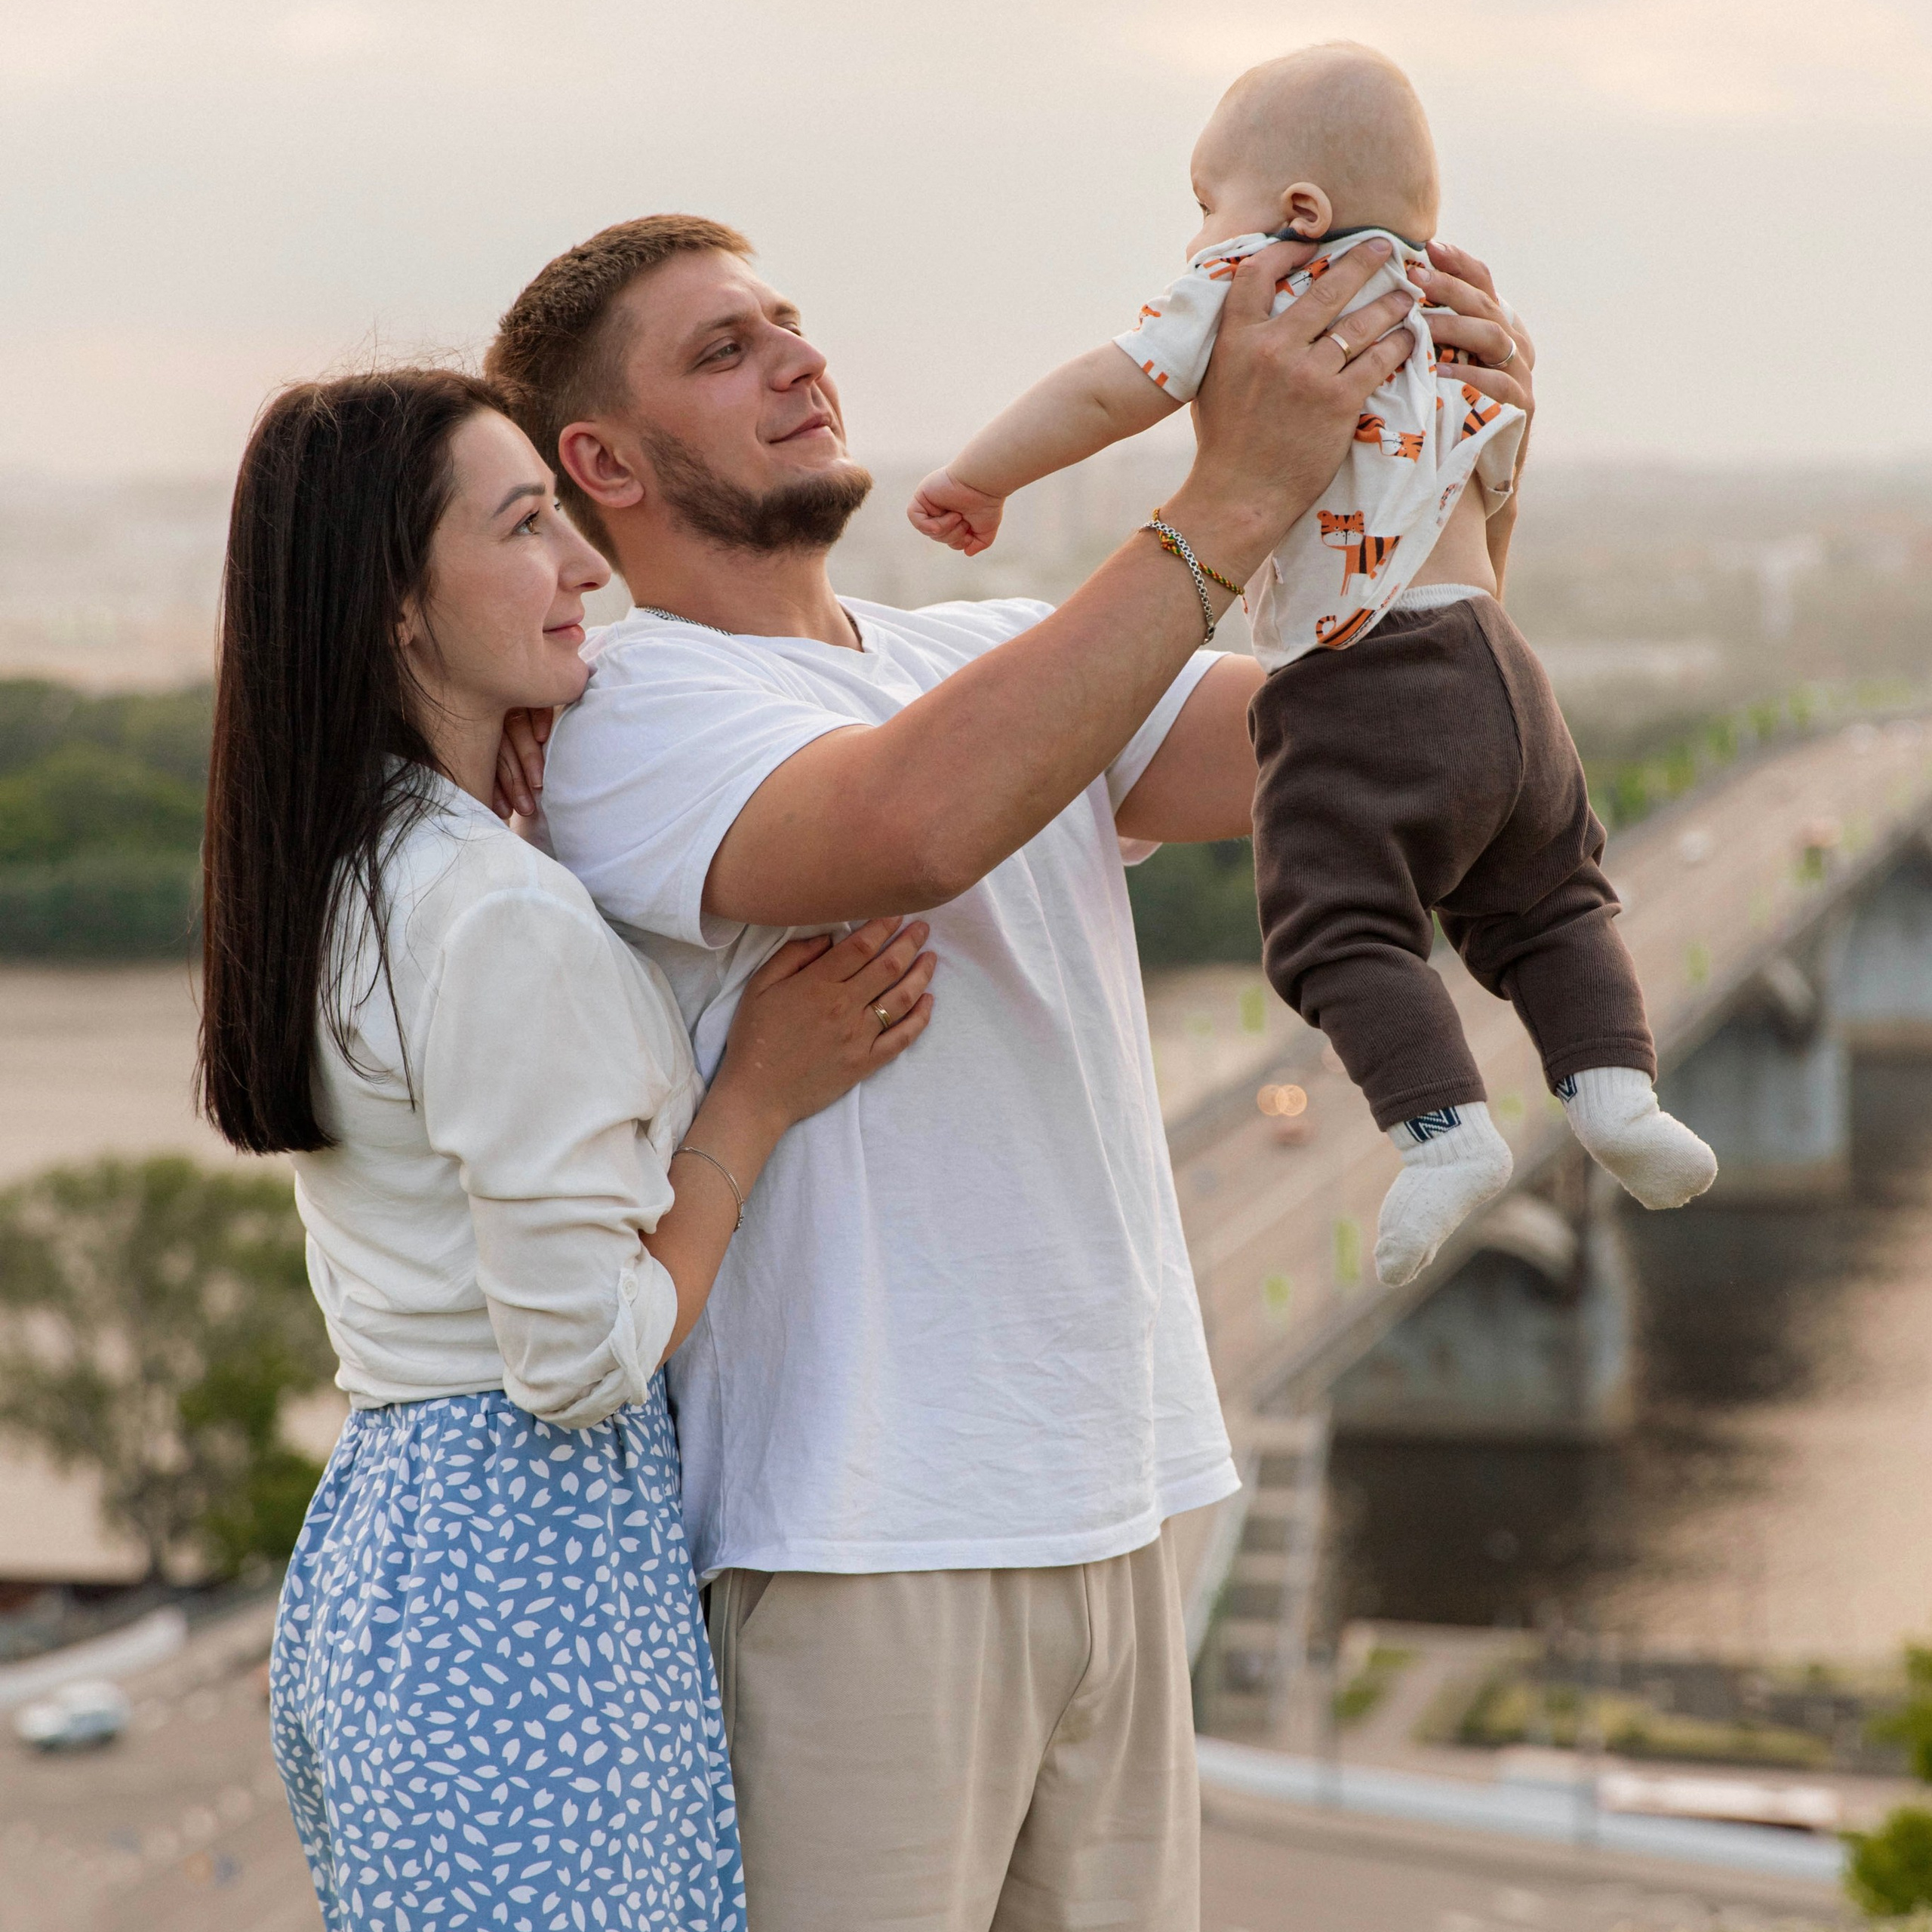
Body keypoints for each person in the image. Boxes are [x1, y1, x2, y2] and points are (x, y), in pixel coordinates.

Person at [482, 207, 1525, 1931]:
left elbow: (1401, 758)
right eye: (723, 350)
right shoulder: (622, 707)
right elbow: (908, 822)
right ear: (602, 459)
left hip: (1120, 1497)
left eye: (788, 321)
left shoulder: (971, 650)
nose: (796, 359)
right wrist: (1222, 497)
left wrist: (1458, 466)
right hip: (855, 1533)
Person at [197, 367, 935, 1932]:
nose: (584, 566)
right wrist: (753, 1097)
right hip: (524, 1587)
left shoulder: (356, 868)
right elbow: (574, 1355)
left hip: (390, 1554)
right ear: (400, 605)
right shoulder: (490, 911)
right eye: (527, 525)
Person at [910, 43, 1717, 1293]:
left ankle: (1441, 1132)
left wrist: (981, 475)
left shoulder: (1256, 284)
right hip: (1503, 674)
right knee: (1552, 895)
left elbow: (1107, 391)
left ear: (1293, 212)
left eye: (1202, 199)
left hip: (1362, 676)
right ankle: (1617, 1094)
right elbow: (1489, 503)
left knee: (1334, 922)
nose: (1196, 232)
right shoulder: (1450, 313)